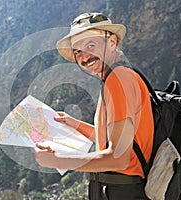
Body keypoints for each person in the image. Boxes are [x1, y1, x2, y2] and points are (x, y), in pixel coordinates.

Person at [33, 12, 154, 200]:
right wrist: (74, 124)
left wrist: (57, 161)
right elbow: (109, 139)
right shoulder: (115, 77)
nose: (84, 57)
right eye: (77, 51)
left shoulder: (117, 80)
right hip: (122, 189)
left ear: (111, 42)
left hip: (123, 192)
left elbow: (118, 158)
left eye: (91, 45)